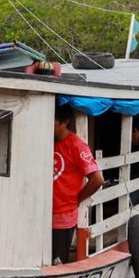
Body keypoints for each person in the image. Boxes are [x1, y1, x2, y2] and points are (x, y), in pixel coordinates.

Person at [52, 104, 103, 264]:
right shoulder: (45, 141)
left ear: (64, 122)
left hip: (62, 217)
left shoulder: (76, 145)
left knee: (57, 263)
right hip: (40, 215)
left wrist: (76, 199)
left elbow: (97, 179)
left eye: (52, 122)